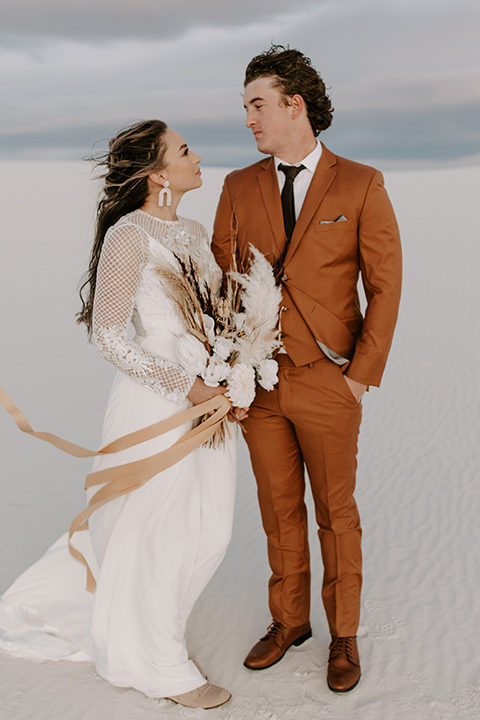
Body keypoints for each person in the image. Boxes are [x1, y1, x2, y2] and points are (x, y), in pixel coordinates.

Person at [0, 120, 241, 709]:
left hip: (209, 400)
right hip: (155, 400)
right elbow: (109, 335)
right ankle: (156, 663)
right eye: (186, 150)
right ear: (159, 174)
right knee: (154, 529)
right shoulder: (128, 236)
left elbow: (212, 316)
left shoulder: (193, 230)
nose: (198, 156)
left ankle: (152, 625)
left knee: (208, 528)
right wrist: (184, 384)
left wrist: (235, 367)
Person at [212, 46, 402, 693]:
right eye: (246, 108)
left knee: (335, 512)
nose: (249, 120)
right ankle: (288, 622)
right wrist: (230, 370)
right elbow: (224, 286)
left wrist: (357, 376)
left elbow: (386, 286)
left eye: (257, 105)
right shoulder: (237, 187)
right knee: (277, 509)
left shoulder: (361, 183)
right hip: (259, 383)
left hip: (328, 378)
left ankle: (343, 635)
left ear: (296, 104)